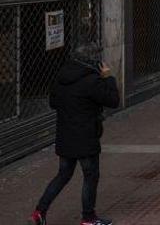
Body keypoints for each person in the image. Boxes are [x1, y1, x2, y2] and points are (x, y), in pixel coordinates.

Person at [30, 44, 119, 225]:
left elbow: (54, 102)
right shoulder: (92, 81)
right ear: (94, 60)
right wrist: (108, 78)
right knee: (90, 175)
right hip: (85, 136)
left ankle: (39, 212)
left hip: (65, 135)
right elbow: (113, 101)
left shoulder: (62, 77)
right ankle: (88, 218)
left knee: (63, 174)